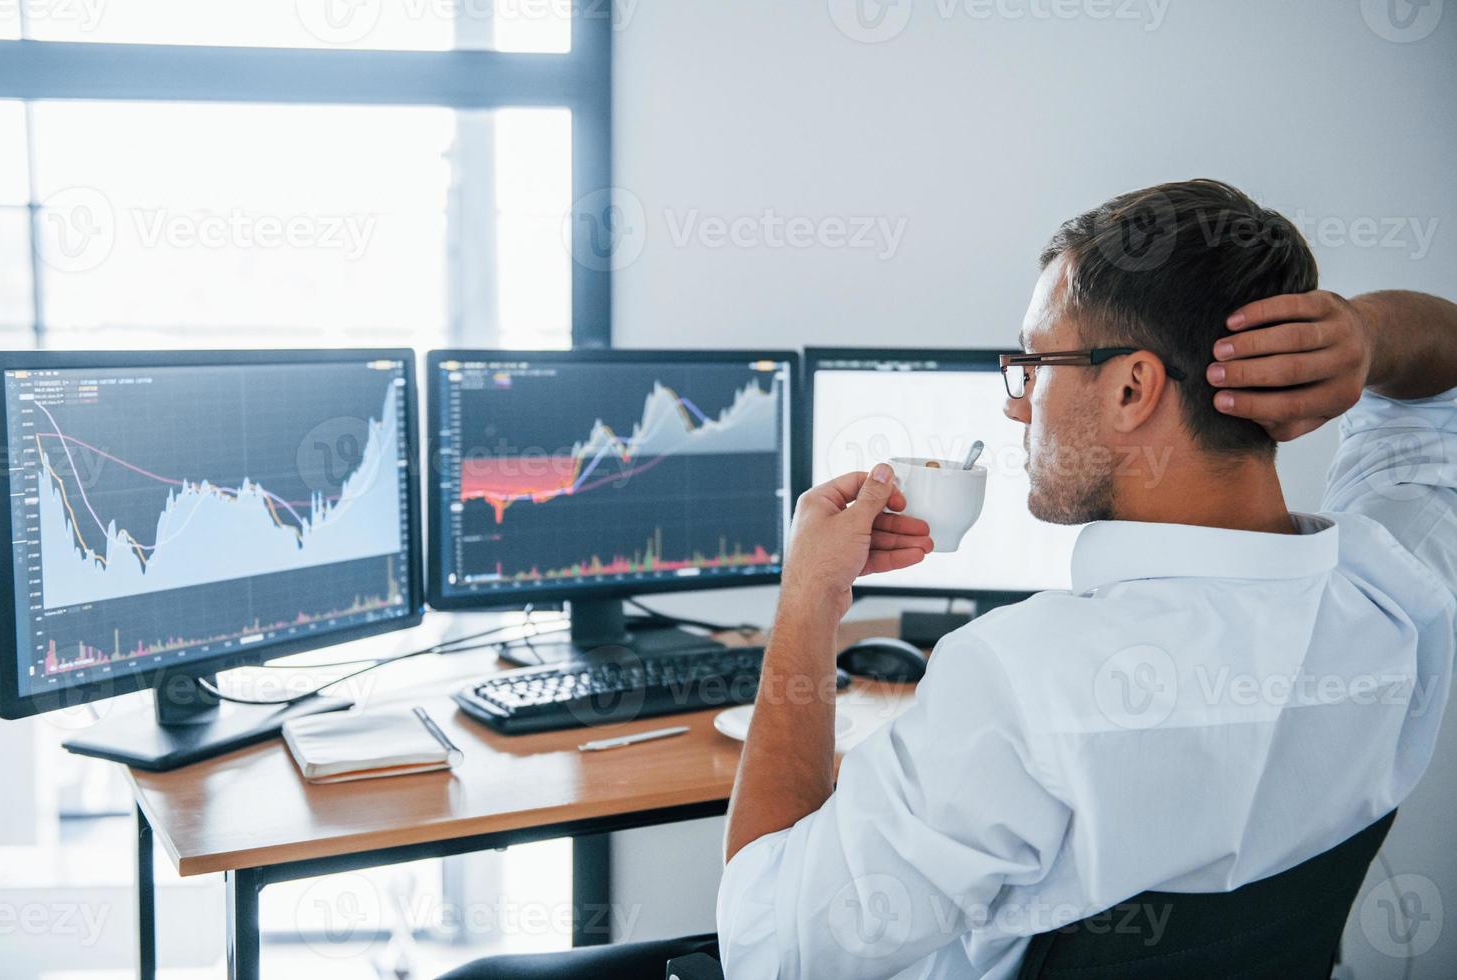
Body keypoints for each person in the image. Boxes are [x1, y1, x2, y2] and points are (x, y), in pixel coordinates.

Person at [443, 179, 1457, 979]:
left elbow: (766, 947)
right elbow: (1439, 386)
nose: (1018, 409)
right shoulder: (1398, 594)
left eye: (1032, 366)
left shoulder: (1022, 688)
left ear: (1133, 386)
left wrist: (806, 602)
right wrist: (1363, 334)